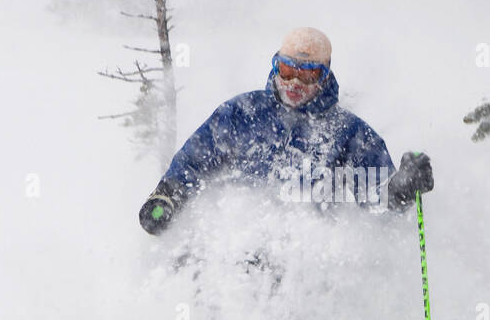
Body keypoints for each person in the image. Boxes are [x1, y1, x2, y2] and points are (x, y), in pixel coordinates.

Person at [138, 26, 434, 234]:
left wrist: (401, 188)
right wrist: (167, 196)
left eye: (307, 75)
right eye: (287, 71)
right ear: (275, 65)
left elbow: (376, 200)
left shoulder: (349, 133)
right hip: (233, 244)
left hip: (302, 263)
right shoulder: (241, 112)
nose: (294, 83)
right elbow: (194, 161)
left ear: (325, 76)